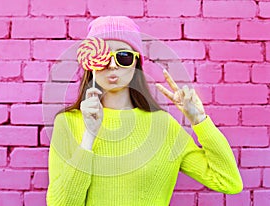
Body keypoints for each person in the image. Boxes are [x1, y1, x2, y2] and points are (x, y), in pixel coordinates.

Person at [46, 16, 243, 206]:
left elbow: (228, 181)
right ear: (90, 62)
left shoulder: (164, 126)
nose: (113, 65)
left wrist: (200, 121)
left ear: (136, 63)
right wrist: (88, 137)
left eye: (123, 56)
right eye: (103, 57)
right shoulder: (68, 123)